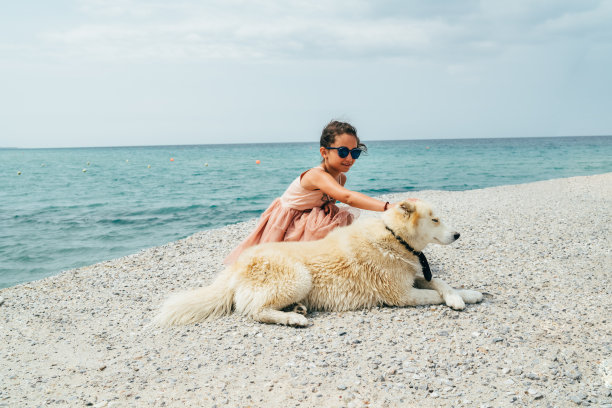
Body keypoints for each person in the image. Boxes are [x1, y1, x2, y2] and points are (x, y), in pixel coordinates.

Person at [224, 120, 396, 265]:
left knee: (332, 219)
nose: (349, 158)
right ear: (324, 152)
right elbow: (347, 197)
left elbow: (330, 198)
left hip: (306, 217)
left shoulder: (340, 178)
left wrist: (328, 205)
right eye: (343, 152)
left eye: (355, 152)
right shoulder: (316, 175)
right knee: (275, 262)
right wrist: (388, 207)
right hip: (287, 221)